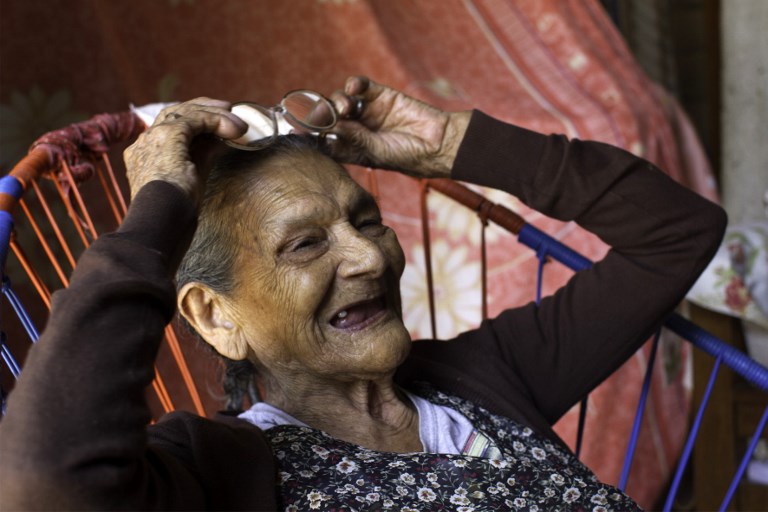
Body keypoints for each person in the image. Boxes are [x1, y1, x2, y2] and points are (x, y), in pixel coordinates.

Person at [0, 76, 725, 511]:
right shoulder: (216, 473)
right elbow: (42, 479)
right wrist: (158, 207)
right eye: (305, 244)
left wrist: (450, 144)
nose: (369, 257)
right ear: (215, 316)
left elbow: (678, 233)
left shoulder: (483, 376)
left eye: (367, 220)